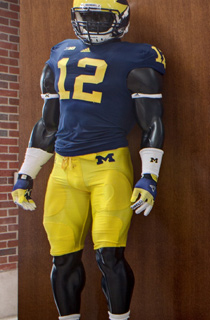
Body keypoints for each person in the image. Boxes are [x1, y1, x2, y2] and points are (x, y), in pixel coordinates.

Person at [10, 1, 167, 319]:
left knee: (109, 255)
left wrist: (149, 176)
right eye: (85, 17)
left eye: (98, 17)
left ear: (120, 19)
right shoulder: (59, 52)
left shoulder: (138, 56)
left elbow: (152, 122)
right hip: (62, 170)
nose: (91, 24)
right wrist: (26, 173)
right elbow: (48, 124)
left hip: (107, 168)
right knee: (63, 258)